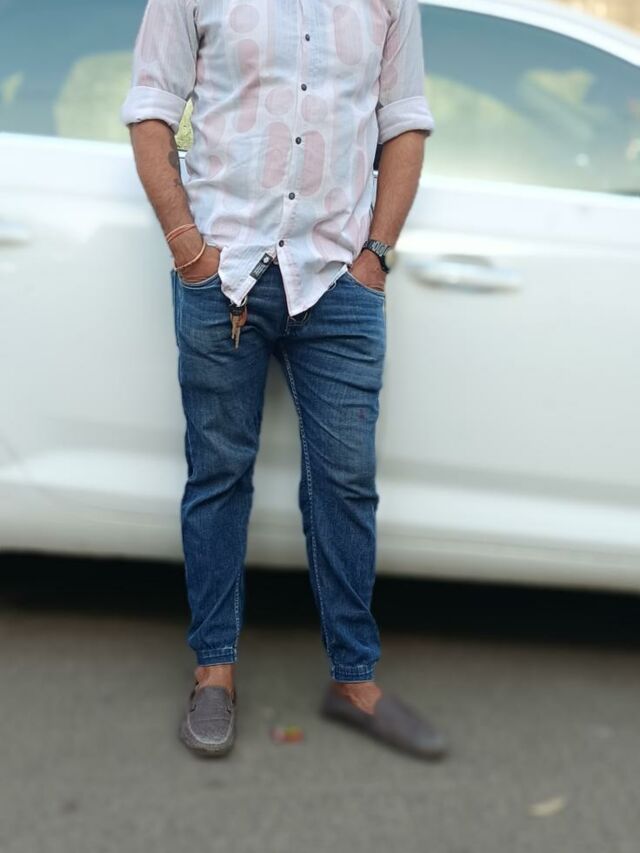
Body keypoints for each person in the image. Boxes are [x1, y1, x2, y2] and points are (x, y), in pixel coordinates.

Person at [120, 0, 447, 760]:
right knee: (219, 473)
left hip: (338, 277)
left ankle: (354, 680)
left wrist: (375, 259)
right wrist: (190, 252)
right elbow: (151, 110)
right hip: (223, 269)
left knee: (346, 482)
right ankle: (214, 673)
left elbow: (404, 122)